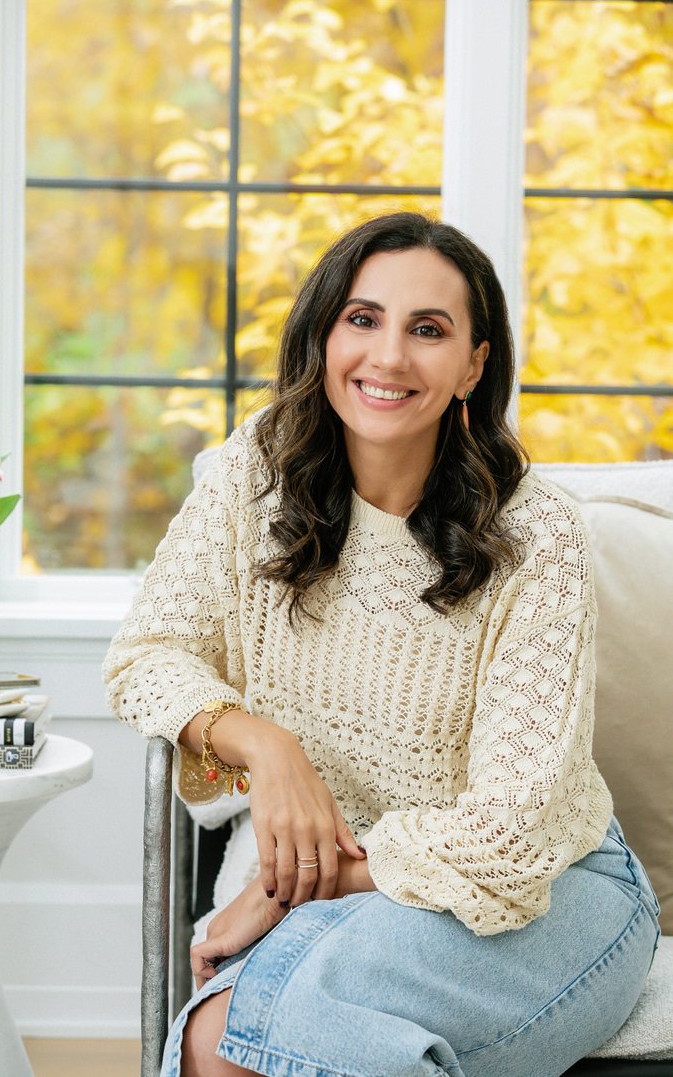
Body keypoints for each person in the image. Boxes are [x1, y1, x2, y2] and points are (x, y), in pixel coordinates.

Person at [103, 212, 660, 1077]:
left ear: (475, 364)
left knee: (232, 1042)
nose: (389, 358)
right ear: (324, 334)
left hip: (550, 893)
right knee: (230, 1042)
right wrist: (264, 744)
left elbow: (510, 830)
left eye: (428, 331)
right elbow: (148, 654)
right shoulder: (254, 479)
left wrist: (293, 883)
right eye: (362, 319)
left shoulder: (537, 535)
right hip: (372, 889)